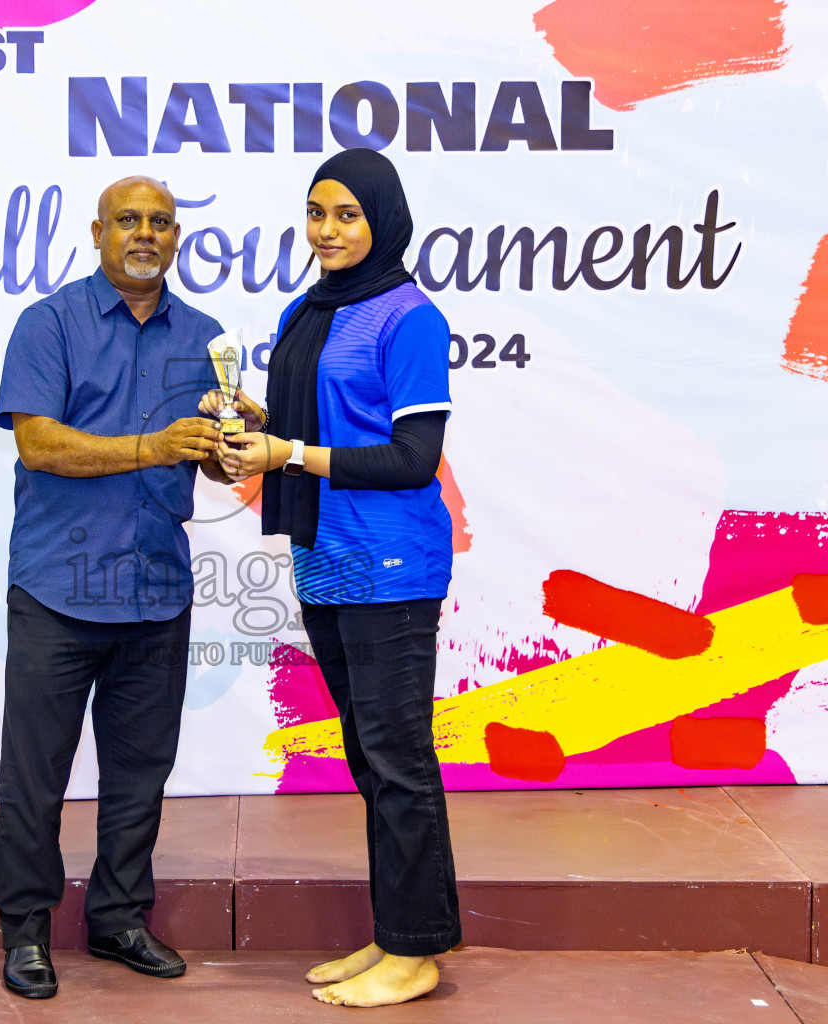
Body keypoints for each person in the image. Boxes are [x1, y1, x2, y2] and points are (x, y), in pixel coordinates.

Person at [210, 148, 461, 1007]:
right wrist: (253, 422)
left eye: (347, 214)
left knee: (399, 760)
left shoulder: (410, 318)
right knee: (370, 758)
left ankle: (416, 951)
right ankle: (394, 935)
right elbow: (303, 424)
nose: (328, 230)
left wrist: (288, 454)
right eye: (317, 212)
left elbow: (412, 458)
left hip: (392, 567)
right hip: (327, 561)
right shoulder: (308, 309)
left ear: (381, 218)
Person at [0, 175, 232, 999]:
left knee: (139, 773)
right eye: (128, 220)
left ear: (177, 238)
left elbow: (200, 450)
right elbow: (39, 444)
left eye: (162, 222)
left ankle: (120, 917)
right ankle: (25, 932)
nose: (145, 233)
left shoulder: (204, 338)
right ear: (97, 232)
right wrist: (153, 446)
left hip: (157, 589)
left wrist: (229, 442)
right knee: (37, 775)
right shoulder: (48, 324)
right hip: (59, 588)